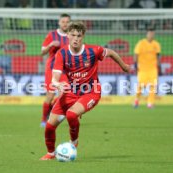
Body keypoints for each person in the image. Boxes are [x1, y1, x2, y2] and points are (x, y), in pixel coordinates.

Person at [40, 21, 131, 160]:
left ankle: (74, 143)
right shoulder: (62, 53)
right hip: (70, 93)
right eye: (73, 35)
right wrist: (57, 84)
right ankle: (50, 153)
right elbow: (54, 78)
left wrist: (124, 66)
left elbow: (111, 53)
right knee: (49, 127)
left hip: (91, 92)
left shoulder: (93, 51)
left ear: (83, 37)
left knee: (71, 114)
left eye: (79, 35)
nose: (76, 38)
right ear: (68, 36)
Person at [40, 14, 71, 127]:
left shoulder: (71, 36)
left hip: (65, 70)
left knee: (65, 94)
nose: (65, 24)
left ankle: (52, 109)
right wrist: (51, 45)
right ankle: (44, 119)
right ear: (59, 22)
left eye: (67, 22)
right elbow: (43, 51)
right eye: (63, 21)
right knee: (50, 95)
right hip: (52, 69)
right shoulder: (52, 35)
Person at [133, 28, 161, 108]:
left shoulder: (156, 44)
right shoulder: (141, 43)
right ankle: (136, 100)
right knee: (141, 86)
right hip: (142, 69)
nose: (151, 35)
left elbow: (158, 56)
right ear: (147, 34)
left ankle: (150, 103)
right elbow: (136, 54)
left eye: (153, 34)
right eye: (150, 33)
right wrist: (135, 65)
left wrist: (159, 67)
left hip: (153, 69)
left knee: (153, 86)